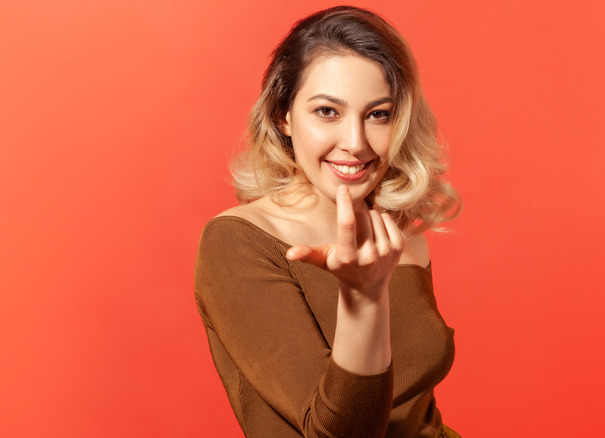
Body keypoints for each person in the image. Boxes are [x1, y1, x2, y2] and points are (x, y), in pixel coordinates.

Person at [194, 6, 462, 438]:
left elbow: (418, 412)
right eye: (327, 112)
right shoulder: (238, 242)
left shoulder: (396, 234)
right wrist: (363, 299)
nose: (355, 143)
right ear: (283, 115)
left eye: (379, 114)